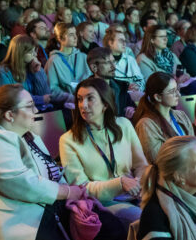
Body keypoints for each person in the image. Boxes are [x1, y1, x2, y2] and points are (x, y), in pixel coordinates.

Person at [0, 84, 101, 240]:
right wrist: (68, 192)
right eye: (29, 106)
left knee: (109, 230)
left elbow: (52, 174)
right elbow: (22, 183)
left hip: (40, 211)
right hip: (12, 224)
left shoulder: (29, 136)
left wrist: (74, 196)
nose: (36, 110)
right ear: (9, 115)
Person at [59, 78, 148, 228]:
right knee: (143, 219)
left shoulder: (124, 125)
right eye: (79, 99)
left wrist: (139, 182)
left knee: (169, 210)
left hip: (135, 193)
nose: (83, 105)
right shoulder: (68, 140)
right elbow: (81, 188)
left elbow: (141, 164)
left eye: (90, 98)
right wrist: (120, 183)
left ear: (105, 104)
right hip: (103, 202)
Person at [133, 72, 194, 163]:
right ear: (158, 97)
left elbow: (195, 145)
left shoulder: (181, 115)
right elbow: (157, 160)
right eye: (172, 91)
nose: (178, 94)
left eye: (177, 89)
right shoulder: (146, 125)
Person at [0, 34, 67, 111]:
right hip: (20, 112)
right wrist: (40, 99)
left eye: (35, 51)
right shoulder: (4, 71)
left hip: (40, 109)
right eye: (31, 52)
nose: (35, 55)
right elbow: (13, 99)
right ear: (20, 53)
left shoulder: (33, 66)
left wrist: (37, 72)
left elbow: (45, 94)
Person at [86, 47, 136, 118]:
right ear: (94, 67)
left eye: (114, 61)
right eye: (108, 63)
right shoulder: (86, 91)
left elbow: (132, 108)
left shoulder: (120, 86)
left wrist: (131, 110)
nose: (114, 67)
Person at [45, 23, 90, 100]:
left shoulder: (84, 57)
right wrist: (70, 98)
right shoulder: (54, 60)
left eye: (75, 34)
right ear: (60, 38)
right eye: (71, 34)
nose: (75, 37)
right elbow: (52, 89)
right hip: (66, 103)